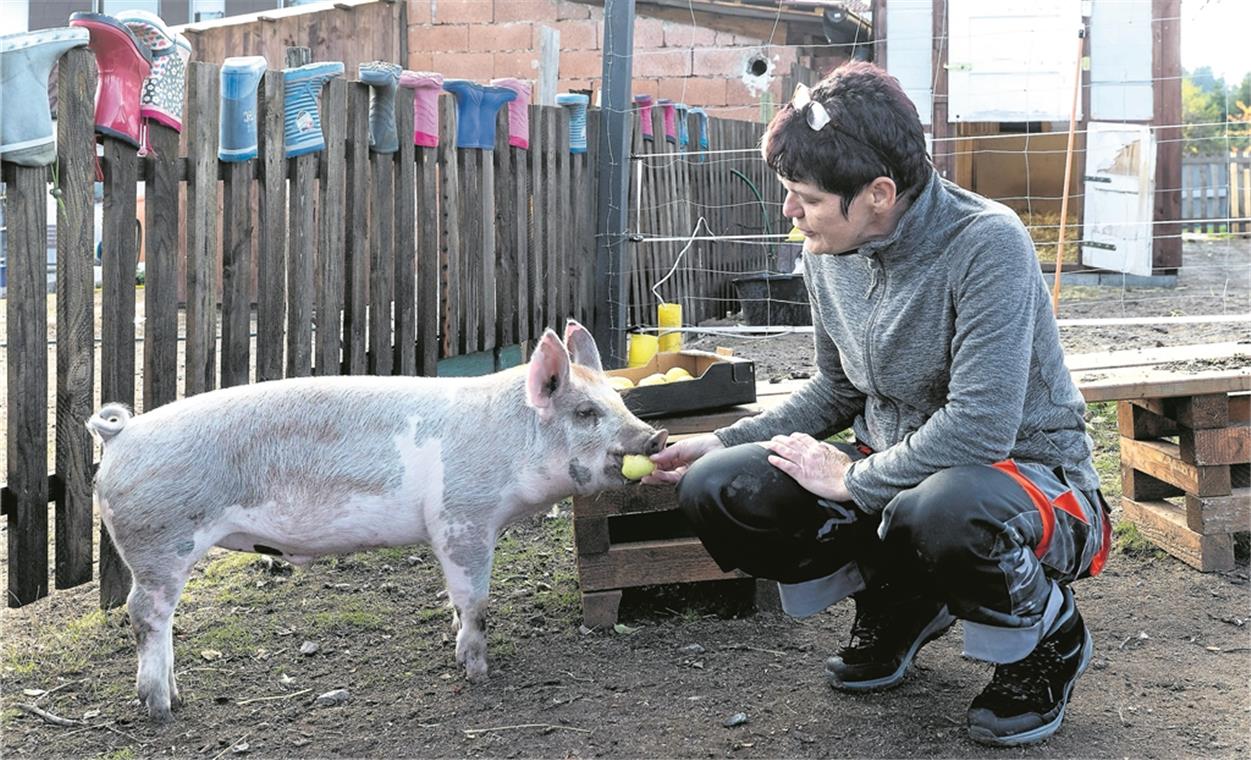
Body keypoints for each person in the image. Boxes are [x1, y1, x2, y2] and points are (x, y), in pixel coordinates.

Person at [644, 61, 1110, 747]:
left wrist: (853, 480)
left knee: (942, 509)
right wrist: (720, 442)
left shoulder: (986, 244)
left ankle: (1048, 638)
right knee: (723, 486)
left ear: (878, 194)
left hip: (1025, 482)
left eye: (803, 196)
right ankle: (900, 600)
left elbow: (981, 427)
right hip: (895, 466)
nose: (788, 211)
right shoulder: (830, 249)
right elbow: (837, 388)